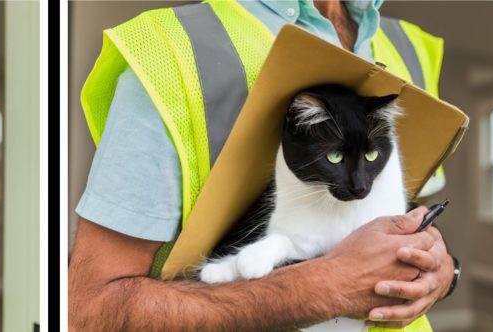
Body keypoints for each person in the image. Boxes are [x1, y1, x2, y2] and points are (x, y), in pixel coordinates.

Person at [69, 0, 457, 330]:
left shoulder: (408, 45)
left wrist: (443, 274)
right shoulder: (170, 50)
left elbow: (404, 221)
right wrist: (326, 287)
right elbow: (90, 311)